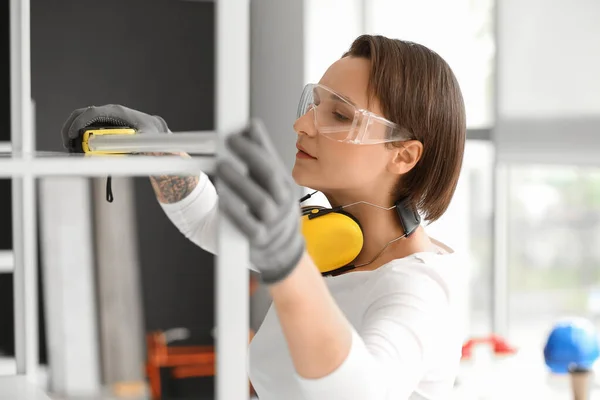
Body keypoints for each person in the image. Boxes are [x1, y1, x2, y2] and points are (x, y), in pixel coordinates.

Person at [62, 34, 467, 400]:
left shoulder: (415, 290)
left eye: (340, 116)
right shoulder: (333, 244)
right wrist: (162, 151)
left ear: (404, 155)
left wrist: (288, 265)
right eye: (315, 105)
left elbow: (358, 392)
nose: (302, 124)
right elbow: (210, 221)